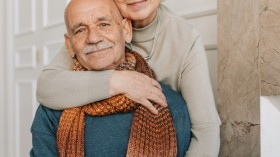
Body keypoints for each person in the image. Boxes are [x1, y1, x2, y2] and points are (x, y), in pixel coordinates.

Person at [37, 0, 221, 156]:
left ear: (125, 30)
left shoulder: (185, 38)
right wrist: (119, 81)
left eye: (104, 25)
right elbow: (47, 85)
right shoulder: (92, 23)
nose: (93, 38)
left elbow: (206, 130)